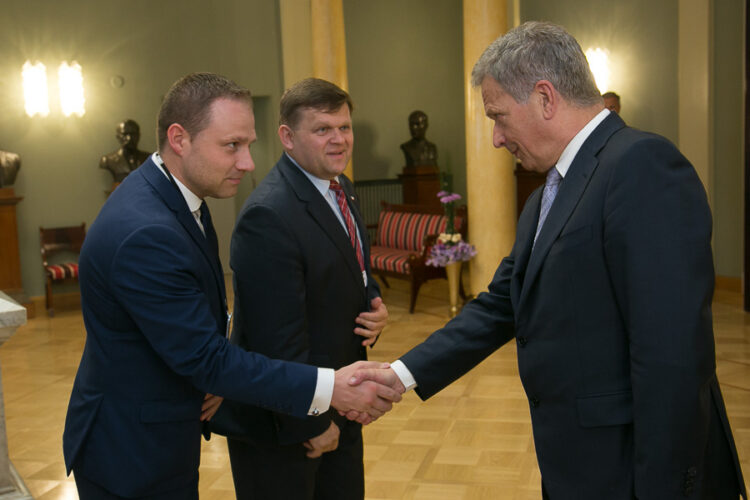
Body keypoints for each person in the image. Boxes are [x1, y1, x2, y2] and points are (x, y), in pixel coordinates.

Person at [353, 22, 747, 499]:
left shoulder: (641, 165)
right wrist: (401, 373)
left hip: (633, 471)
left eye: (498, 117)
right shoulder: (545, 196)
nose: (496, 139)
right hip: (578, 465)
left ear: (545, 97)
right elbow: (502, 303)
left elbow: (673, 358)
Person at [62, 72, 400, 500]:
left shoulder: (179, 201)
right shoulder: (146, 231)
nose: (248, 162)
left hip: (161, 428)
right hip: (131, 448)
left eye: (248, 145)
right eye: (231, 146)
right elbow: (206, 358)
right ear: (179, 138)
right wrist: (329, 388)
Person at [212, 77, 388, 500]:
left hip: (338, 406)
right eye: (323, 129)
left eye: (344, 128)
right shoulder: (268, 217)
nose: (339, 140)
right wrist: (312, 424)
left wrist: (372, 297)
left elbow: (347, 260)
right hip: (285, 425)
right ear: (287, 137)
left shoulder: (340, 187)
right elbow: (277, 339)